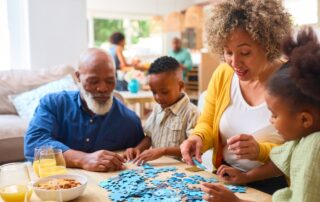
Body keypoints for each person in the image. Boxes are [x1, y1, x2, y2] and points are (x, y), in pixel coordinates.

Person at [180, 0, 291, 194]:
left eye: (245, 52)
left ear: (268, 44)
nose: (234, 62)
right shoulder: (223, 74)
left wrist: (260, 151)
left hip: (276, 187)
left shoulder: (293, 81)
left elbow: (300, 151)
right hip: (225, 176)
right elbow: (207, 121)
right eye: (228, 52)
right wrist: (198, 138)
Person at [200, 27, 320, 202]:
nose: (234, 62)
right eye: (228, 52)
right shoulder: (304, 139)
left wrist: (237, 201)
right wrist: (246, 177)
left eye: (274, 115)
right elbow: (281, 163)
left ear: (305, 119)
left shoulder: (313, 150)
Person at [24, 48, 144, 172]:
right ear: (78, 77)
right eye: (93, 81)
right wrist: (82, 159)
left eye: (109, 81)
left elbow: (139, 155)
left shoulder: (129, 121)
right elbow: (33, 145)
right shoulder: (53, 104)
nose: (103, 88)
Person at [123, 56, 200, 164]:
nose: (158, 97)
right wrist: (138, 149)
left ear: (180, 86)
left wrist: (163, 151)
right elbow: (150, 136)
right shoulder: (157, 108)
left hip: (183, 172)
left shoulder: (191, 113)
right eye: (154, 92)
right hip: (159, 169)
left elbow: (193, 148)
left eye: (164, 92)